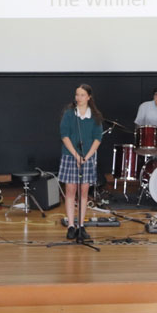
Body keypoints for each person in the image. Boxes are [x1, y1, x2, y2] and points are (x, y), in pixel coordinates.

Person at [59, 84, 103, 241]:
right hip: (70, 156)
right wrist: (77, 156)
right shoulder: (69, 114)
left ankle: (81, 225)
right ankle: (71, 226)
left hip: (88, 157)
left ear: (89, 97)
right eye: (77, 94)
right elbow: (64, 135)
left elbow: (98, 138)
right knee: (70, 190)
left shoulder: (95, 116)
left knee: (84, 192)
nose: (79, 98)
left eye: (82, 95)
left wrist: (86, 157)